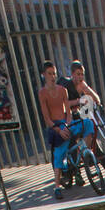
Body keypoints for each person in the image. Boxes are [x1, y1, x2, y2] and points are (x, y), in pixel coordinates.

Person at [57, 60, 102, 183]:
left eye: (82, 74)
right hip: (66, 118)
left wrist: (95, 100)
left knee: (93, 138)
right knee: (71, 143)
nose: (81, 77)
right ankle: (76, 174)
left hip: (77, 116)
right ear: (72, 74)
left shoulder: (82, 84)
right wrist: (79, 101)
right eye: (78, 74)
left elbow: (95, 97)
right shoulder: (65, 86)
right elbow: (63, 104)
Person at [38, 60, 72, 200]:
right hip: (54, 126)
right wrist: (59, 129)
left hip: (65, 123)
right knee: (58, 153)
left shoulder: (63, 90)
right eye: (50, 74)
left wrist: (67, 125)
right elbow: (47, 119)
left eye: (54, 74)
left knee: (85, 126)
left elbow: (68, 112)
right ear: (43, 75)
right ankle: (57, 186)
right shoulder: (42, 93)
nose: (53, 77)